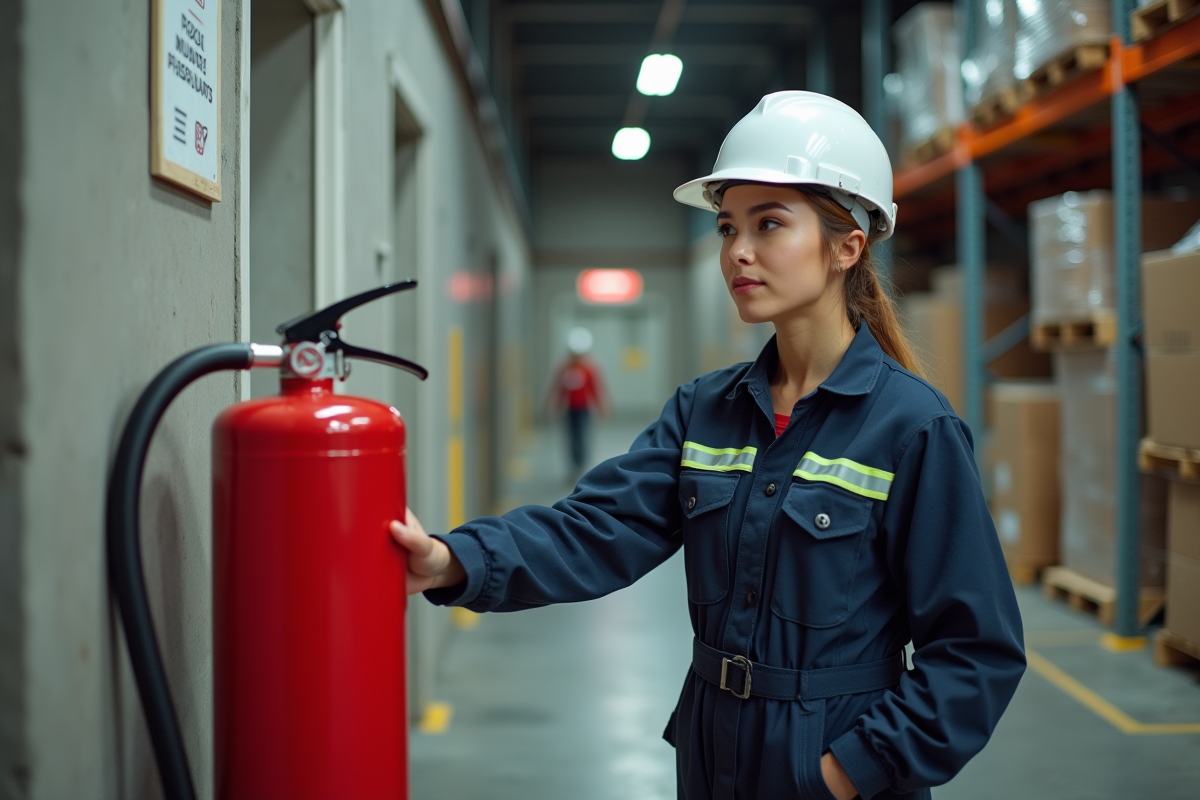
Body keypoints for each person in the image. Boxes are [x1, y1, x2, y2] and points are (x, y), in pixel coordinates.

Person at [391, 92, 1025, 800]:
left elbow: (976, 651)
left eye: (769, 223)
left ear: (847, 248)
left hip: (832, 764)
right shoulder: (706, 411)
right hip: (713, 754)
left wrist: (846, 773)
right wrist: (453, 559)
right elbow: (595, 529)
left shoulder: (912, 428)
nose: (737, 252)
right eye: (728, 227)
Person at [544, 327, 610, 479]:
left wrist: (602, 407)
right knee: (570, 438)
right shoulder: (563, 368)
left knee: (582, 437)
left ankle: (581, 465)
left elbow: (595, 389)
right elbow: (556, 388)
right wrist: (550, 406)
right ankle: (573, 465)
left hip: (583, 410)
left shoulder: (589, 369)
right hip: (569, 410)